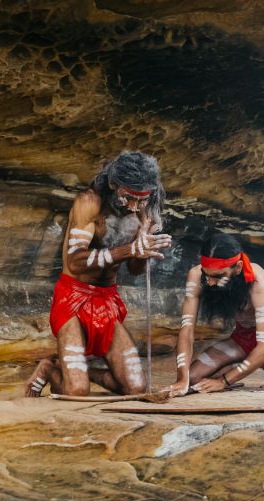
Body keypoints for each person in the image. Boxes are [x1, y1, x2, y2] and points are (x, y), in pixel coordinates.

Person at [25, 151, 172, 397]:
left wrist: (145, 247)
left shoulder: (141, 212)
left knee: (136, 387)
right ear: (114, 185)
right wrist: (129, 249)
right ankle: (49, 369)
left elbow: (135, 270)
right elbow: (75, 262)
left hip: (106, 300)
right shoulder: (89, 203)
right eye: (128, 198)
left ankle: (74, 370)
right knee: (76, 391)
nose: (134, 206)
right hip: (73, 298)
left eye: (142, 200)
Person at [168, 232, 264, 396]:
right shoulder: (197, 275)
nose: (210, 282)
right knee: (193, 379)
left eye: (218, 276)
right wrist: (182, 379)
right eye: (207, 275)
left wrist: (223, 381)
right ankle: (248, 362)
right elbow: (186, 330)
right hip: (244, 336)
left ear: (238, 268)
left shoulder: (257, 282)